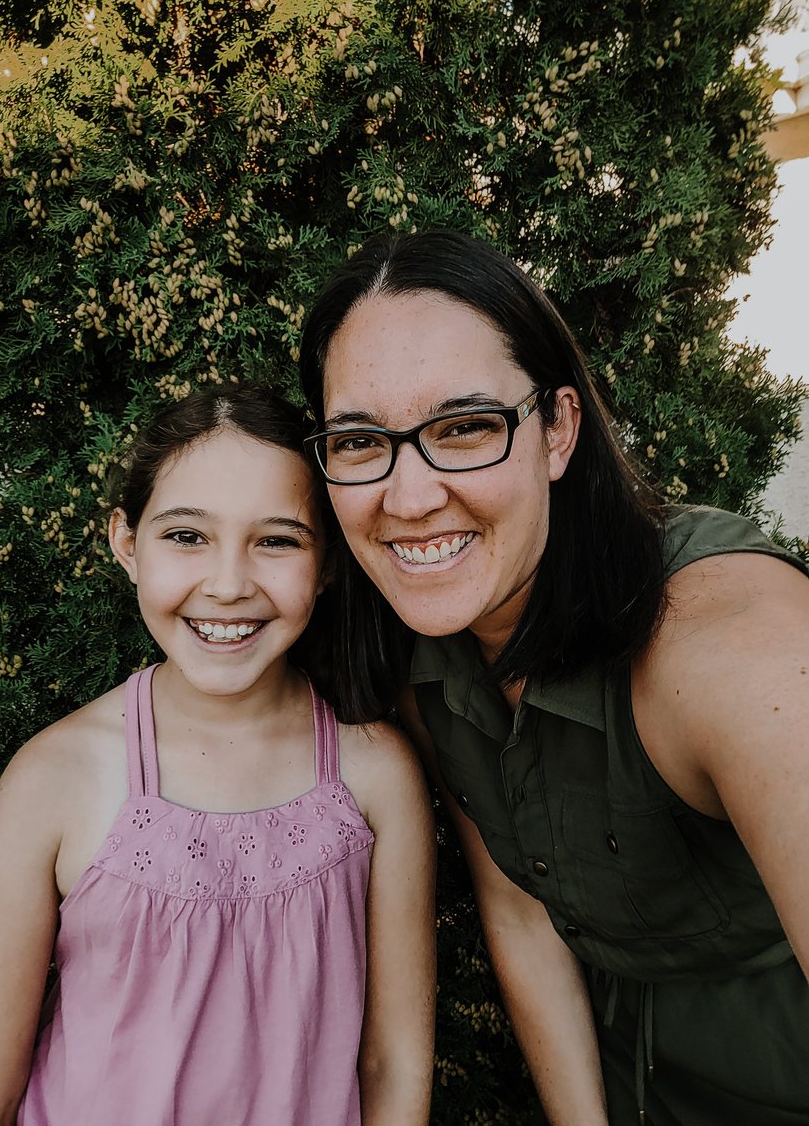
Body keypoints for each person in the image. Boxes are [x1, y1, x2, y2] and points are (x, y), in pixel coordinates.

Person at [299, 228, 809, 1126]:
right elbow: (523, 909)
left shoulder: (730, 650)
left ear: (558, 431)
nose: (408, 498)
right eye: (358, 441)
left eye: (464, 428)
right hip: (629, 1085)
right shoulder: (426, 642)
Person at [0, 385, 435, 1126]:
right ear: (127, 544)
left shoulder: (375, 776)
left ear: (326, 564)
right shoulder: (53, 780)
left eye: (277, 540)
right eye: (187, 536)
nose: (228, 584)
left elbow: (393, 1064)